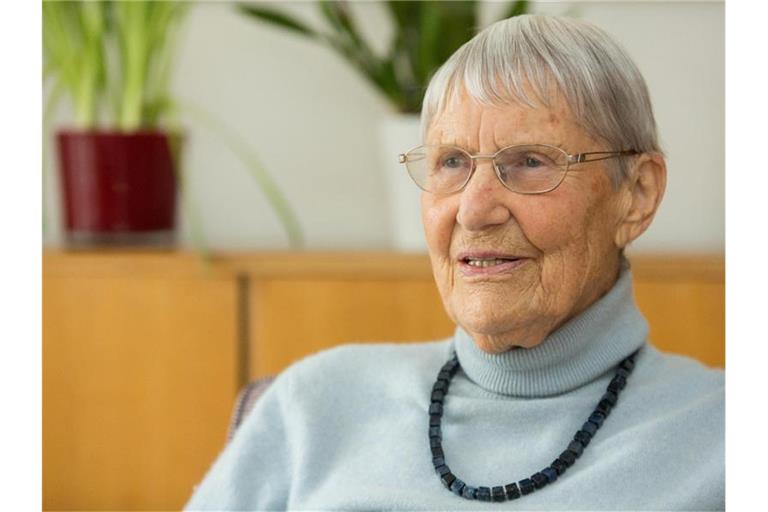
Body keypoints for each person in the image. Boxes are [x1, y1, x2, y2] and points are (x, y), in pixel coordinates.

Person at [186, 14, 724, 511]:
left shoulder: (725, 442)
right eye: (451, 162)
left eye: (530, 162)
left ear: (638, 193)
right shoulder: (315, 405)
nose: (473, 208)